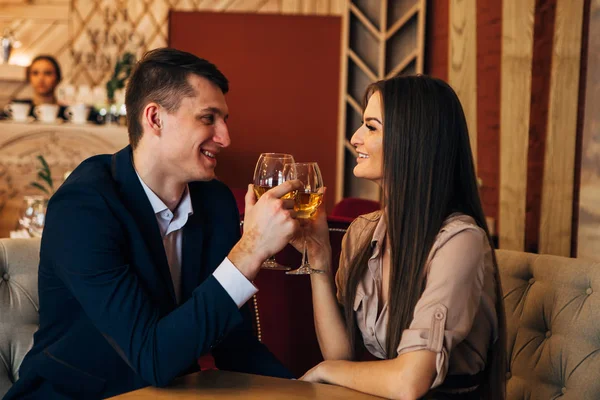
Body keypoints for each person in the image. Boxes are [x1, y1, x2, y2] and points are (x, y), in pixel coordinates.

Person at [4, 48, 301, 399]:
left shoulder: (215, 201)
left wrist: (301, 390)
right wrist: (249, 251)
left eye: (224, 120)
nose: (225, 137)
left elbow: (233, 345)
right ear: (155, 118)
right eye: (208, 118)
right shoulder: (84, 206)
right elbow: (152, 358)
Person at [295, 75, 506, 400]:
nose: (355, 138)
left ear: (413, 140)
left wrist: (324, 371)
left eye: (371, 127)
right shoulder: (363, 232)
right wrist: (319, 261)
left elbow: (410, 382)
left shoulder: (460, 240)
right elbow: (342, 359)